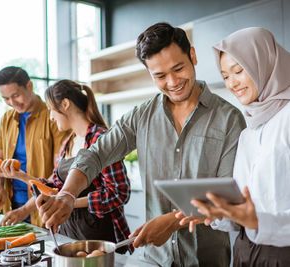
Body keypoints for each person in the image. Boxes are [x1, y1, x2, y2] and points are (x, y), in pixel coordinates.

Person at [34, 22, 246, 266]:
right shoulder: (140, 116)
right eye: (160, 76)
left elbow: (226, 195)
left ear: (193, 56)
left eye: (178, 68)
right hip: (152, 259)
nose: (172, 81)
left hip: (206, 260)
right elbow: (96, 154)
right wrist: (68, 194)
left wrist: (173, 221)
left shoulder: (230, 119)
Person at [177, 27, 290, 267]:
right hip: (245, 253)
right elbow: (245, 212)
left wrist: (259, 221)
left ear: (263, 63)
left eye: (239, 71)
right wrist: (218, 213)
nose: (232, 83)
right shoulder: (247, 133)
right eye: (226, 76)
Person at [0, 80, 132, 253]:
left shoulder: (101, 140)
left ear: (65, 104)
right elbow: (54, 190)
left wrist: (69, 202)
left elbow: (118, 193)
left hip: (100, 238)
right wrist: (21, 176)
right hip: (69, 234)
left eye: (51, 110)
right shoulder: (67, 144)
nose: (51, 117)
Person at [0, 66, 69, 227]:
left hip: (44, 209)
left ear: (29, 86)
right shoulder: (7, 119)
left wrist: (26, 209)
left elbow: (59, 174)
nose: (12, 103)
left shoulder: (53, 116)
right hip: (13, 207)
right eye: (6, 98)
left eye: (15, 95)